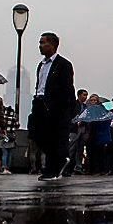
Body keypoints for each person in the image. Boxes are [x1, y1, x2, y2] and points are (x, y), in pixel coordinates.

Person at [28, 32, 76, 181]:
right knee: (38, 135)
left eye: (43, 43)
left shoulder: (63, 64)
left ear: (53, 45)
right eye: (40, 43)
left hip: (55, 106)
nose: (40, 46)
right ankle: (59, 160)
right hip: (39, 103)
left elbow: (68, 88)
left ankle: (52, 169)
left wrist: (65, 109)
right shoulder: (41, 65)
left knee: (54, 137)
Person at [67, 89, 90, 175]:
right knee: (72, 148)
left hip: (83, 129)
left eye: (86, 95)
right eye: (84, 95)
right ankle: (68, 167)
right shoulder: (74, 105)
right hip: (74, 129)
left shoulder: (85, 107)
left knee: (80, 149)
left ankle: (78, 166)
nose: (85, 97)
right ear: (79, 95)